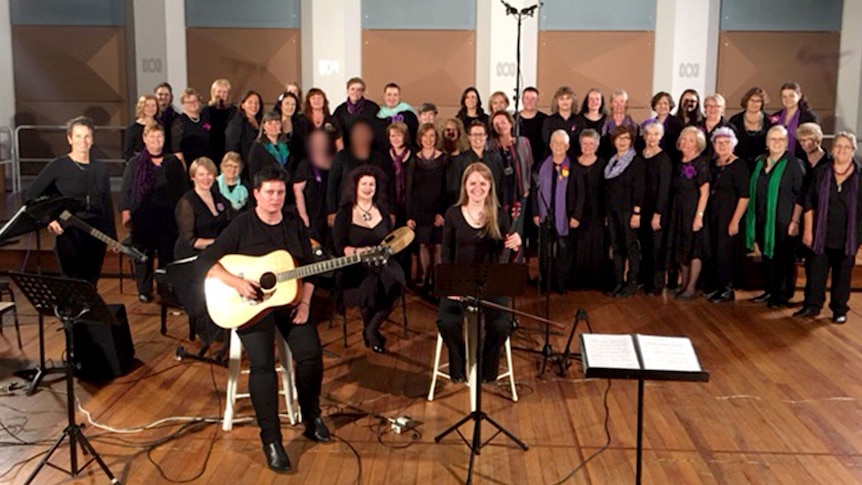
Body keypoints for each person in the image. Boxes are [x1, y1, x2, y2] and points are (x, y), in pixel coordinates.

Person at [199, 165, 330, 473]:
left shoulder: (294, 224)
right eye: (269, 192)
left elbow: (310, 267)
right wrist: (238, 283)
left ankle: (312, 417)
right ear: (256, 194)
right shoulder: (242, 224)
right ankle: (271, 440)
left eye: (280, 193)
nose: (275, 198)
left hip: (289, 303)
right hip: (249, 305)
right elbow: (206, 261)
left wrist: (306, 304)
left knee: (310, 354)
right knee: (262, 365)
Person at [437, 163, 521, 382]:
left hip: (491, 280)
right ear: (465, 185)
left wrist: (516, 245)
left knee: (502, 325)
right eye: (472, 183)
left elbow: (507, 255)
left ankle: (486, 368)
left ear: (490, 186)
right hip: (458, 279)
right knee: (447, 322)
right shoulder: (453, 214)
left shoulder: (500, 215)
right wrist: (449, 285)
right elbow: (445, 253)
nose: (477, 188)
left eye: (482, 183)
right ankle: (459, 366)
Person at [27, 116, 116, 285]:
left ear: (92, 139)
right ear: (70, 139)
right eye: (78, 136)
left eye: (87, 136)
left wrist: (111, 236)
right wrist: (49, 219)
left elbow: (106, 203)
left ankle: (88, 311)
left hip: (95, 230)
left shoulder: (101, 168)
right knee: (73, 281)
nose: (83, 141)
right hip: (69, 230)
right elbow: (32, 194)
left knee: (91, 281)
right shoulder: (58, 166)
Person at [333, 165, 405, 353]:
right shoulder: (345, 213)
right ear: (355, 187)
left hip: (382, 262)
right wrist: (359, 251)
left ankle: (370, 329)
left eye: (371, 184)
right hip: (357, 265)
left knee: (396, 283)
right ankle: (372, 333)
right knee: (370, 287)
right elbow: (340, 246)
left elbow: (390, 239)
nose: (367, 188)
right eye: (364, 184)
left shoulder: (382, 209)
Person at [797, 132, 860, 323]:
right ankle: (812, 305)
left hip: (848, 236)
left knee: (842, 275)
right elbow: (808, 202)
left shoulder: (860, 176)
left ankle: (839, 310)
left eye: (846, 147)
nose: (841, 150)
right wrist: (808, 231)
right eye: (838, 146)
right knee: (815, 272)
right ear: (832, 150)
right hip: (820, 234)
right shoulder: (821, 173)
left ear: (853, 151)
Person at [120, 124, 187, 302]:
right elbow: (126, 189)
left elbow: (183, 190)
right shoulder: (135, 163)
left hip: (168, 217)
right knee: (143, 255)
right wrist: (126, 211)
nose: (156, 141)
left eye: (159, 137)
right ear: (144, 138)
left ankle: (165, 289)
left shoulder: (173, 162)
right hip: (143, 216)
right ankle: (144, 289)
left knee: (167, 254)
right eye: (152, 137)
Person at [174, 157, 236, 342]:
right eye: (201, 174)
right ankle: (212, 331)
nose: (206, 178)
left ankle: (232, 321)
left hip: (214, 250)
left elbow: (231, 222)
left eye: (209, 174)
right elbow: (189, 241)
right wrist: (219, 243)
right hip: (193, 256)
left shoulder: (218, 198)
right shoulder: (187, 202)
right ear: (193, 177)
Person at [746, 125, 806, 308]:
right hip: (764, 219)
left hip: (785, 221)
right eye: (773, 139)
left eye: (781, 140)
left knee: (783, 259)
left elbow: (801, 197)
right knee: (767, 257)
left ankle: (782, 296)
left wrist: (795, 221)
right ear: (766, 142)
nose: (777, 143)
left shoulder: (794, 164)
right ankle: (769, 291)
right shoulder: (760, 162)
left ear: (787, 143)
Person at [532, 130, 584, 294]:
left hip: (565, 217)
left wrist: (576, 215)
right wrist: (535, 213)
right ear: (550, 144)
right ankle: (546, 284)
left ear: (567, 146)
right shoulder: (541, 165)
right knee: (544, 253)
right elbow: (535, 190)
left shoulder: (574, 167)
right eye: (555, 142)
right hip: (545, 215)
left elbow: (580, 193)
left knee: (563, 253)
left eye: (562, 143)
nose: (558, 146)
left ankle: (561, 285)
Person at [704, 127, 750, 303]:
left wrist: (735, 221)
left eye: (726, 143)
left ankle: (727, 289)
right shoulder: (713, 164)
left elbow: (744, 196)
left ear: (733, 144)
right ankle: (716, 286)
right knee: (715, 250)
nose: (722, 146)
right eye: (719, 142)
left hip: (729, 215)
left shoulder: (739, 166)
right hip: (713, 214)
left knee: (726, 252)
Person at [666, 127, 711, 300]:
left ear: (698, 144)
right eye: (684, 139)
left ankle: (692, 287)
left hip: (693, 210)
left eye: (691, 140)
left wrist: (699, 216)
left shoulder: (701, 163)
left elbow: (705, 191)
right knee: (682, 247)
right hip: (679, 210)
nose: (686, 142)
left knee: (694, 249)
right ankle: (683, 284)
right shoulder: (680, 161)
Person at [604, 125, 645, 297]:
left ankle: (632, 283)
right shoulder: (611, 161)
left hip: (629, 212)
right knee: (617, 246)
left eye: (626, 138)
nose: (622, 142)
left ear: (631, 141)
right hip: (613, 211)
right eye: (619, 138)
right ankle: (618, 282)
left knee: (630, 247)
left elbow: (639, 189)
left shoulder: (636, 162)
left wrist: (637, 213)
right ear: (614, 140)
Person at [407, 123, 448, 288]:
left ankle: (437, 281)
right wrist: (410, 215)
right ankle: (426, 279)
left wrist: (443, 213)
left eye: (432, 136)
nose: (428, 139)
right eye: (425, 136)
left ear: (436, 138)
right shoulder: (413, 160)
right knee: (423, 244)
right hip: (420, 210)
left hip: (438, 209)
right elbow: (409, 190)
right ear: (420, 138)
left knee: (438, 246)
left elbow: (448, 188)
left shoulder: (445, 160)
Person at [571, 129, 608, 290]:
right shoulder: (572, 164)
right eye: (584, 143)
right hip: (577, 211)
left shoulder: (603, 165)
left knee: (596, 244)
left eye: (591, 144)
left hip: (597, 210)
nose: (587, 147)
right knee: (578, 244)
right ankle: (578, 279)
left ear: (597, 145)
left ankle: (595, 280)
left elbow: (607, 191)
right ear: (580, 145)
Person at [326, 119, 384, 223]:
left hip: (375, 210)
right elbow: (332, 184)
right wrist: (331, 211)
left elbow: (386, 184)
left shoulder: (379, 157)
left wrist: (391, 211)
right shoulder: (342, 156)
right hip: (346, 207)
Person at [639, 121, 673, 295]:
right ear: (644, 136)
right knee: (645, 245)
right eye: (649, 134)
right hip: (643, 208)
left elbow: (664, 189)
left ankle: (656, 284)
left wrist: (657, 214)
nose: (652, 138)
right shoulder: (641, 155)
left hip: (657, 210)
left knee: (656, 247)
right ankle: (645, 280)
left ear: (660, 136)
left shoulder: (664, 159)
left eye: (655, 134)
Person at [448, 121, 504, 206]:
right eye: (474, 135)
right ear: (469, 137)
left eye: (481, 134)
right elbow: (454, 188)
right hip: (467, 207)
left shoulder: (495, 159)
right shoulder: (459, 161)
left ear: (486, 136)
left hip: (492, 205)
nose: (478, 137)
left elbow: (501, 185)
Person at [294, 129, 335, 245]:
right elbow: (298, 190)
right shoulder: (305, 164)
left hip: (327, 212)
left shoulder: (332, 162)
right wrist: (303, 215)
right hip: (311, 213)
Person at [488, 110, 533, 212]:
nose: (500, 126)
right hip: (498, 197)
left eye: (503, 122)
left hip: (520, 193)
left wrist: (526, 187)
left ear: (511, 123)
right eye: (496, 124)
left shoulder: (523, 142)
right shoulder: (489, 146)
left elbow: (529, 166)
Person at [247, 111, 292, 198]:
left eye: (277, 123)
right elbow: (253, 172)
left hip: (286, 190)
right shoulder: (257, 147)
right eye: (270, 123)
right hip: (267, 191)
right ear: (263, 126)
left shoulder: (287, 145)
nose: (274, 126)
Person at [769, 82, 819, 161]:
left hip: (801, 161)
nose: (787, 99)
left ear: (799, 96)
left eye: (791, 96)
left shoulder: (809, 117)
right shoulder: (775, 116)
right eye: (784, 97)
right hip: (777, 160)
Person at [728, 87, 771, 165]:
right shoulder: (735, 120)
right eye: (752, 100)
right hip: (739, 164)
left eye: (758, 101)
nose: (754, 103)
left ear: (762, 103)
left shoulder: (769, 121)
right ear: (746, 101)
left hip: (763, 165)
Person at [332, 77, 379, 149]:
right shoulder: (340, 110)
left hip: (369, 149)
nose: (355, 92)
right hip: (347, 150)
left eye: (359, 90)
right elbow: (336, 131)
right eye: (352, 89)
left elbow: (378, 129)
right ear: (347, 91)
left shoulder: (372, 108)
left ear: (363, 92)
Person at [171, 88, 211, 169]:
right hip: (189, 164)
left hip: (207, 162)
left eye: (195, 101)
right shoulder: (179, 122)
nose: (193, 104)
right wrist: (182, 168)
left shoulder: (205, 118)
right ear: (183, 104)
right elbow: (176, 149)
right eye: (189, 102)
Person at [226, 90, 264, 171]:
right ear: (242, 105)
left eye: (257, 103)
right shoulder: (236, 123)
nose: (254, 105)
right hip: (244, 168)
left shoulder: (262, 122)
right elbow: (232, 148)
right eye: (250, 102)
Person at [201, 78, 236, 164]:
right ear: (213, 93)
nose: (221, 95)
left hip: (228, 146)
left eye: (224, 92)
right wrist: (211, 128)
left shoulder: (234, 111)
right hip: (210, 146)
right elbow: (204, 125)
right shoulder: (206, 110)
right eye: (219, 92)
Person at [600, 89, 642, 161]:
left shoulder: (634, 127)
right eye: (615, 102)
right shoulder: (603, 124)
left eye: (622, 102)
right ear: (611, 104)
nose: (618, 105)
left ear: (626, 104)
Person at [643, 91, 684, 162]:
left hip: (671, 160)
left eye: (665, 103)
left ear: (670, 105)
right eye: (659, 103)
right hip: (652, 160)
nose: (662, 106)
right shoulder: (649, 124)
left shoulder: (678, 123)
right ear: (654, 106)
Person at [376, 83, 418, 147]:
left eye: (395, 95)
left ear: (399, 97)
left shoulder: (408, 112)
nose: (392, 98)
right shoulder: (378, 114)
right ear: (384, 96)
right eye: (389, 95)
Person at [542, 86, 578, 160]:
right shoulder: (549, 121)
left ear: (573, 101)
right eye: (561, 99)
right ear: (557, 102)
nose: (565, 102)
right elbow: (547, 142)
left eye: (568, 98)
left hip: (574, 160)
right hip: (553, 159)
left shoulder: (579, 120)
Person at [303, 87, 343, 152]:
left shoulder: (332, 119)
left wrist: (339, 158)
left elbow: (339, 141)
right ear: (308, 101)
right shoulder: (302, 119)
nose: (317, 101)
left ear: (324, 101)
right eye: (313, 98)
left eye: (319, 98)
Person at [275, 91, 308, 168]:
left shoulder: (301, 123)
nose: (290, 107)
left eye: (293, 104)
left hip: (297, 165)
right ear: (280, 105)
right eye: (287, 104)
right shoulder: (274, 122)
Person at [697, 94, 735, 160]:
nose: (712, 109)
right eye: (709, 106)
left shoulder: (729, 128)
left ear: (722, 109)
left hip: (720, 165)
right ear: (705, 109)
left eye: (717, 106)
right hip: (698, 165)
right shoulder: (696, 127)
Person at [518, 87, 548, 168]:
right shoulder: (514, 119)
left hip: (540, 163)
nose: (529, 101)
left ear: (537, 100)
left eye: (533, 99)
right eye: (527, 98)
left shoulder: (545, 120)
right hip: (519, 163)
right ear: (522, 100)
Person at [123, 94, 158, 161]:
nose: (151, 108)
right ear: (141, 107)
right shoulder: (132, 129)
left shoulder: (161, 125)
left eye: (153, 105)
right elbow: (128, 153)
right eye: (147, 106)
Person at [574, 88, 607, 154]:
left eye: (597, 99)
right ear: (587, 101)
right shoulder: (577, 119)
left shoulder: (607, 120)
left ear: (601, 102)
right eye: (591, 99)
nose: (594, 102)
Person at [155, 82, 179, 150]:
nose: (163, 97)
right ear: (155, 96)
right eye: (160, 94)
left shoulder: (177, 117)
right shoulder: (150, 116)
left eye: (166, 95)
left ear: (171, 97)